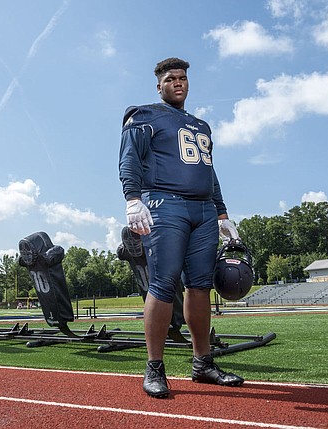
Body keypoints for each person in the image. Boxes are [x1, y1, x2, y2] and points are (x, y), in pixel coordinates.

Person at [118, 57, 244, 398]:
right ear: (158, 85)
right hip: (165, 203)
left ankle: (202, 363)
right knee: (163, 282)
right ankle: (155, 367)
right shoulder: (143, 115)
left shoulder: (201, 125)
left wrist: (222, 213)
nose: (179, 83)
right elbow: (129, 156)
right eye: (171, 78)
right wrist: (132, 198)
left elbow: (208, 171)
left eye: (183, 78)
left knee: (200, 286)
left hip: (203, 209)